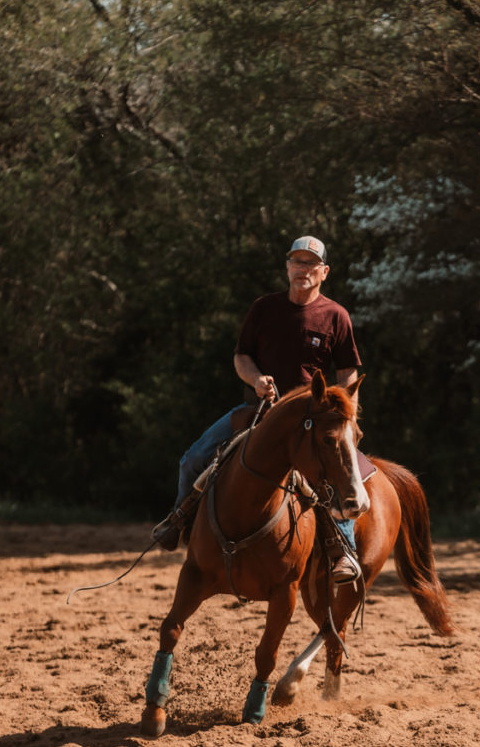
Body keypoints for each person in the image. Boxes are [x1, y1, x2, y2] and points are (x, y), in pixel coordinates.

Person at [151, 235, 363, 582]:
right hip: (260, 410)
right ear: (287, 268)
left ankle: (344, 550)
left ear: (324, 271)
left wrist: (344, 418)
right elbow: (241, 356)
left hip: (312, 419)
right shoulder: (264, 308)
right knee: (193, 458)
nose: (303, 269)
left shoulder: (336, 316)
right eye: (296, 262)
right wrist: (256, 380)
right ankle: (178, 522)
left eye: (310, 263)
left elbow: (348, 373)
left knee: (343, 474)